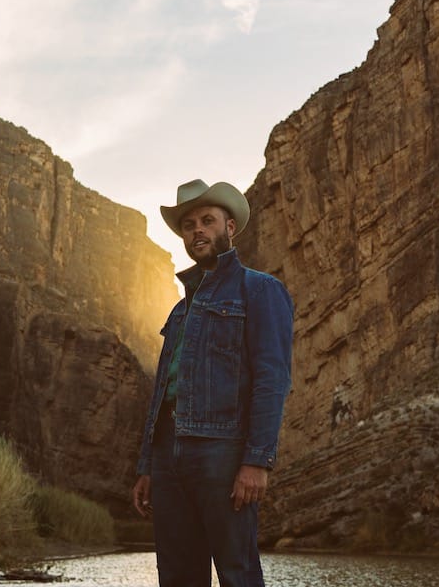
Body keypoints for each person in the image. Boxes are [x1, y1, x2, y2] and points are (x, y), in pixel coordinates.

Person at [131, 179, 294, 587]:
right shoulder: (179, 311)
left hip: (222, 453)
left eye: (207, 220)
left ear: (230, 227)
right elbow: (163, 393)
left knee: (237, 573)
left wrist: (257, 461)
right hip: (169, 458)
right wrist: (148, 466)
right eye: (188, 225)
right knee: (177, 576)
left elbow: (271, 379)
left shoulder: (260, 290)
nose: (197, 230)